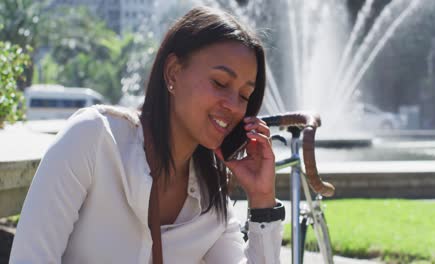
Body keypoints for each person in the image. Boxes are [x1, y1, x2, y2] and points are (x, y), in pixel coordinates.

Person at [10, 6, 284, 264]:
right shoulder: (94, 140)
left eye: (245, 95)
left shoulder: (211, 201)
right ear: (173, 72)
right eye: (220, 83)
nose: (234, 106)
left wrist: (262, 198)